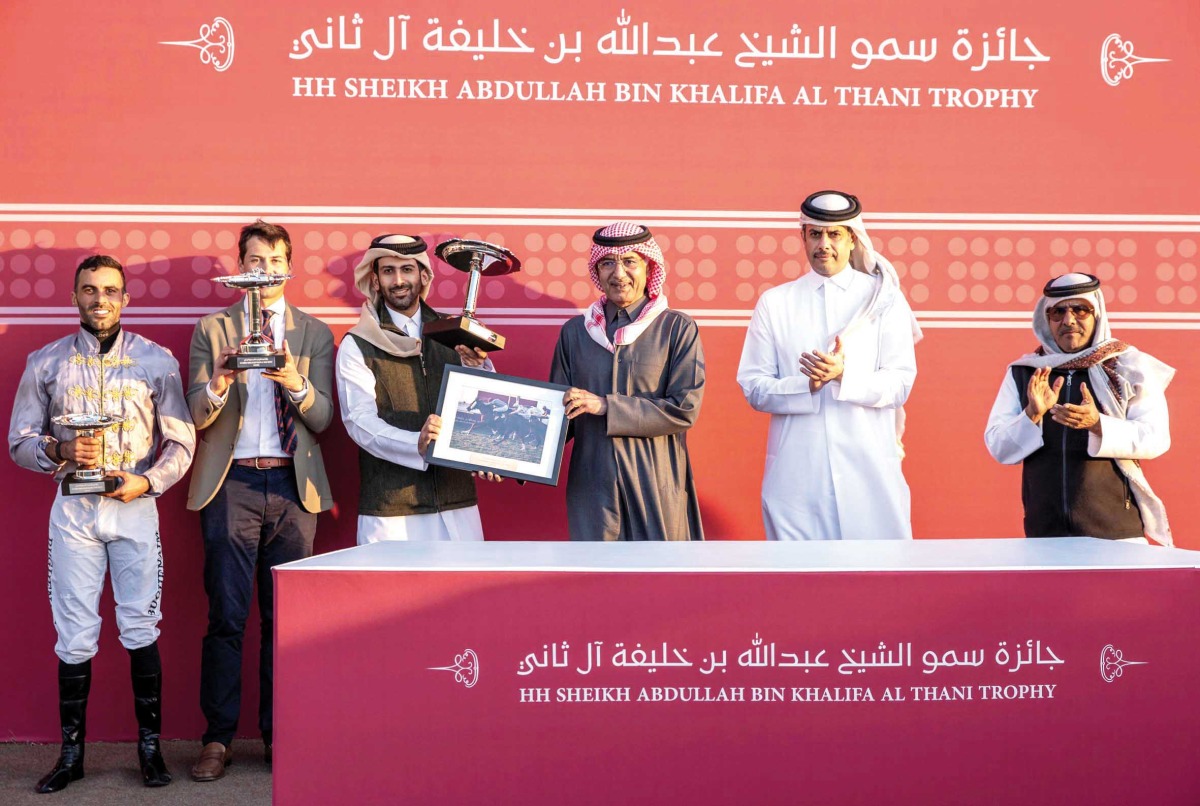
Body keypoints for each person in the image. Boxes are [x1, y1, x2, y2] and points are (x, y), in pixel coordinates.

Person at [8, 255, 195, 792]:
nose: (100, 299)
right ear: (74, 297)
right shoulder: (45, 362)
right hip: (72, 509)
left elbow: (181, 440)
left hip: (134, 506)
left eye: (110, 290)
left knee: (140, 625)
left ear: (126, 298)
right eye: (89, 290)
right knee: (73, 634)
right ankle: (72, 756)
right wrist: (59, 448)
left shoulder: (156, 361)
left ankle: (150, 751)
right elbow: (19, 441)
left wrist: (149, 482)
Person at [185, 220, 334, 780]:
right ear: (240, 264)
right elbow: (198, 416)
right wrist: (221, 381)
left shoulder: (315, 333)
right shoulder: (212, 329)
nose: (263, 270)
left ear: (287, 265)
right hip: (233, 486)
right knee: (226, 617)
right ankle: (217, 740)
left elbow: (322, 419)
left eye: (273, 260)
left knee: (286, 621)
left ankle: (281, 737)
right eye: (253, 259)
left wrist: (294, 377)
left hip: (295, 491)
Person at [737, 190, 918, 540]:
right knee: (799, 586)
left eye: (835, 234)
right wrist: (807, 385)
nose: (824, 244)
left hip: (870, 477)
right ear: (802, 237)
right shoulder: (776, 302)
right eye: (815, 234)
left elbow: (900, 384)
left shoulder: (884, 300)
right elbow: (754, 387)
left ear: (853, 239)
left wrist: (844, 377)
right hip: (796, 480)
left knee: (878, 584)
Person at [984, 273, 1174, 543]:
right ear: (1046, 319)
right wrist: (1031, 415)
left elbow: (1156, 439)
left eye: (1080, 310)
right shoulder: (1025, 372)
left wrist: (1098, 425)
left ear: (1096, 315)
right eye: (1058, 312)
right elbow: (1000, 448)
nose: (1068, 320)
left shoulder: (1127, 367)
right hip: (1046, 538)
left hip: (1116, 536)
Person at [336, 234, 497, 544]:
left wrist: (478, 367)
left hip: (457, 506)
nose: (398, 280)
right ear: (376, 279)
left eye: (407, 269)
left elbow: (482, 406)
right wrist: (416, 443)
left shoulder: (453, 333)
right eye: (388, 271)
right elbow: (359, 422)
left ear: (423, 275)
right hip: (391, 513)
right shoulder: (357, 344)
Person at [549, 222, 705, 541]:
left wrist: (607, 406)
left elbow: (684, 409)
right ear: (597, 271)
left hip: (656, 485)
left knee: (660, 583)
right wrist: (502, 452)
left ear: (649, 268)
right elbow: (555, 418)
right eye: (608, 263)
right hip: (593, 491)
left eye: (630, 261)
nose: (619, 274)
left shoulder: (676, 329)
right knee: (594, 585)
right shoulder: (575, 334)